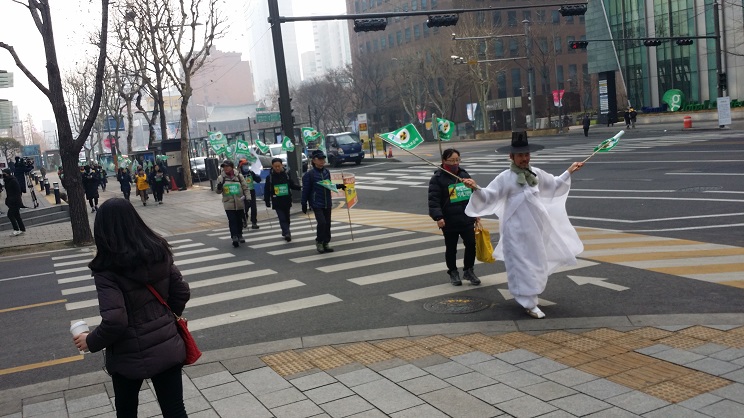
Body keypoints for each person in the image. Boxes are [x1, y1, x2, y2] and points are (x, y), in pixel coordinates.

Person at [72, 198, 191, 418]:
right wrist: (164, 316)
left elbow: (116, 319)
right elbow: (181, 292)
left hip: (127, 355)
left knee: (126, 412)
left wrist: (90, 341)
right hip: (166, 345)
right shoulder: (158, 251)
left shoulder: (107, 268)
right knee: (174, 409)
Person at [462, 136, 584, 319]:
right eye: (520, 155)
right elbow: (489, 195)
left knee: (537, 263)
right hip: (515, 232)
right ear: (511, 156)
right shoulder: (505, 178)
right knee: (521, 266)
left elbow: (554, 185)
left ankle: (530, 295)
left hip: (535, 230)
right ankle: (529, 302)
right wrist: (475, 188)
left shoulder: (536, 173)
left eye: (526, 154)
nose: (524, 158)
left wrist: (569, 171)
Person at [427, 148, 480, 287]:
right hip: (449, 220)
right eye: (452, 160)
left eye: (457, 160)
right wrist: (438, 217)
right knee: (451, 248)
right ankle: (453, 272)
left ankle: (469, 270)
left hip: (466, 218)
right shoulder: (437, 179)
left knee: (471, 244)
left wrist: (476, 212)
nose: (455, 163)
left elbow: (472, 196)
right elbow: (434, 200)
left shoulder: (463, 174)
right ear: (444, 161)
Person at [301, 150, 346, 254]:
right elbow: (306, 190)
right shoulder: (309, 175)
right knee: (322, 223)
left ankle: (326, 242)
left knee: (328, 224)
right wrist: (304, 203)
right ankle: (319, 242)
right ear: (314, 161)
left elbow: (328, 185)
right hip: (316, 203)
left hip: (327, 202)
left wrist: (339, 186)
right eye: (319, 159)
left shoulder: (326, 172)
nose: (322, 161)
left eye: (323, 159)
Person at [215, 160, 251, 247]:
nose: (226, 168)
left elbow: (245, 187)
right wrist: (219, 187)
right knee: (232, 220)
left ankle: (240, 234)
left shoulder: (239, 176)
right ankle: (234, 236)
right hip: (228, 203)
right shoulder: (221, 178)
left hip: (239, 202)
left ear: (232, 167)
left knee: (239, 220)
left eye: (227, 166)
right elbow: (218, 191)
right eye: (224, 167)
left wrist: (248, 198)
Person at [264, 158, 301, 242]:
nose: (277, 168)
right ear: (272, 166)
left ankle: (285, 230)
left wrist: (300, 188)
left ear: (282, 166)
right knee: (282, 218)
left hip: (286, 200)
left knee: (287, 217)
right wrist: (267, 201)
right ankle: (287, 232)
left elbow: (291, 185)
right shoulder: (269, 177)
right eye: (275, 166)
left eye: (279, 166)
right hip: (277, 201)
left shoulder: (286, 175)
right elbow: (267, 190)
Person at [238, 158, 262, 229]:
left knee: (253, 208)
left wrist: (258, 177)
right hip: (243, 193)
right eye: (244, 165)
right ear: (240, 166)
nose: (246, 167)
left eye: (247, 165)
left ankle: (254, 222)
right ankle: (244, 221)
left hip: (251, 192)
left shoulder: (251, 173)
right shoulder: (239, 175)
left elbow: (257, 180)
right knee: (245, 208)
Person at [2, 168, 26, 236]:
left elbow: (18, 191)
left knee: (10, 215)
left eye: (4, 173)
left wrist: (13, 200)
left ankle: (16, 229)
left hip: (15, 202)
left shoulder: (13, 181)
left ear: (8, 174)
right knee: (17, 215)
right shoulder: (7, 180)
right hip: (11, 201)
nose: (3, 175)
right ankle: (22, 229)